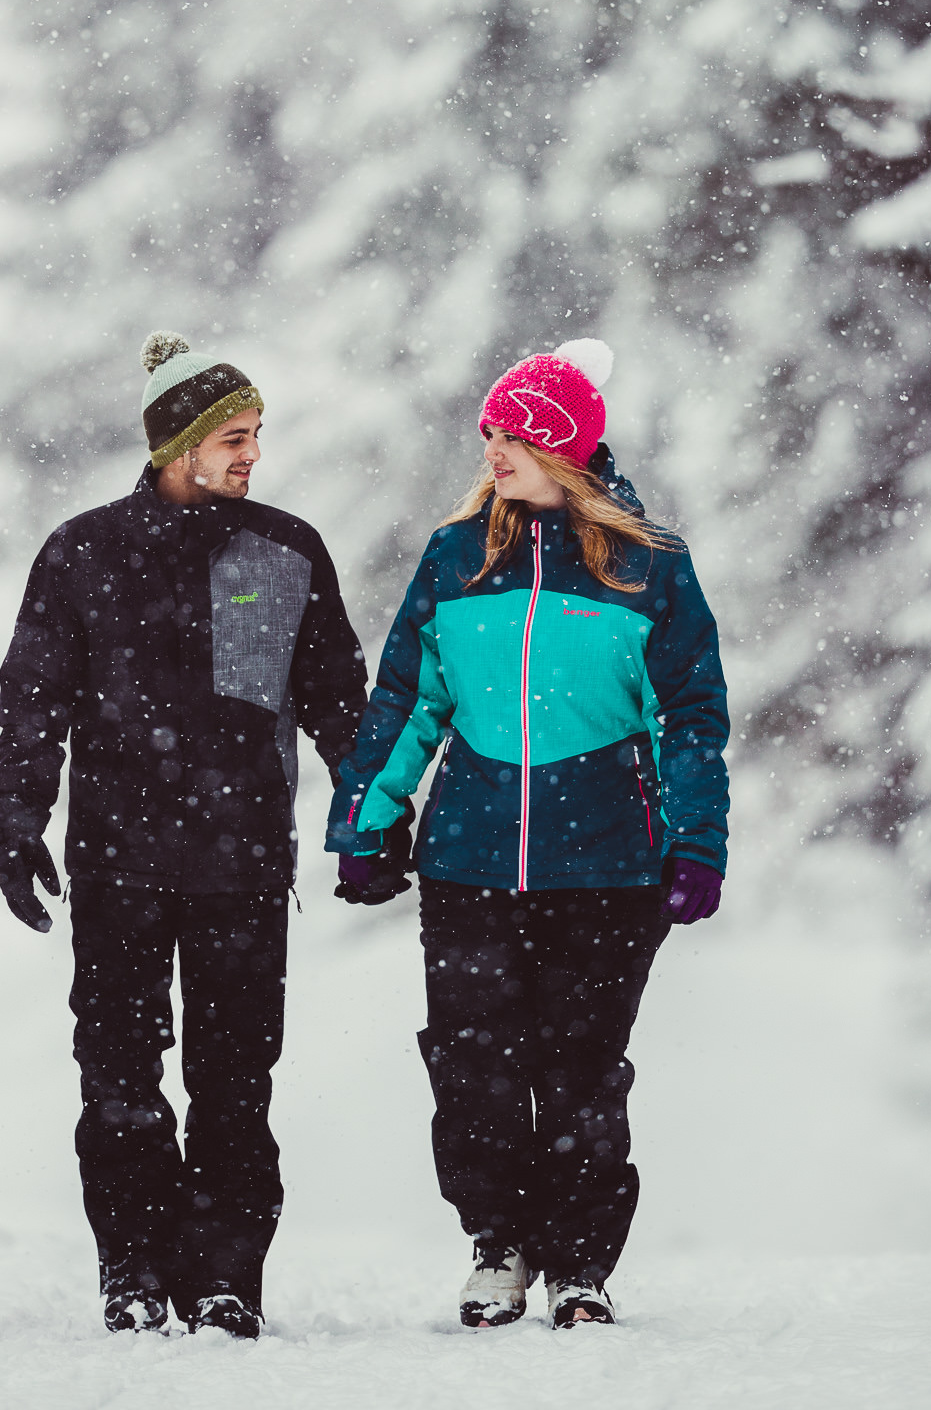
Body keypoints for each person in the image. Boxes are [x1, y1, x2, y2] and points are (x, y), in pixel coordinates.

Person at [328, 338, 728, 1331]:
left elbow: (692, 714)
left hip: (609, 861)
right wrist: (365, 823)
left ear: (563, 447)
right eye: (490, 433)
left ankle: (580, 1264)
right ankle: (497, 1243)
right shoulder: (459, 555)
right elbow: (407, 700)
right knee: (472, 1062)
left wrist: (697, 839)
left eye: (511, 434)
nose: (493, 450)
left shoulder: (648, 566)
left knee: (582, 1065)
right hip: (468, 857)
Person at [0, 332, 367, 1338]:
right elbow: (33, 696)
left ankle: (225, 1276)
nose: (251, 455)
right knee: (119, 1077)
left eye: (257, 436)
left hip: (243, 865)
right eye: (234, 437)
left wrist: (370, 809)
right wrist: (16, 817)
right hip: (117, 865)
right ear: (178, 443)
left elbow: (337, 697)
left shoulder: (287, 550)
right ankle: (134, 1267)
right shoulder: (82, 552)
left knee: (235, 1083)